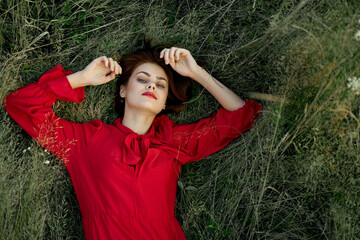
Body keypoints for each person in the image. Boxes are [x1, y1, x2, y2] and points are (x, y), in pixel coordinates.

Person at [3, 41, 262, 240]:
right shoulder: (84, 141)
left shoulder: (173, 143)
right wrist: (82, 77)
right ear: (123, 90)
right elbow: (21, 105)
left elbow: (242, 116)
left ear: (163, 104)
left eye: (160, 85)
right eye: (142, 79)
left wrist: (196, 73)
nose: (151, 86)